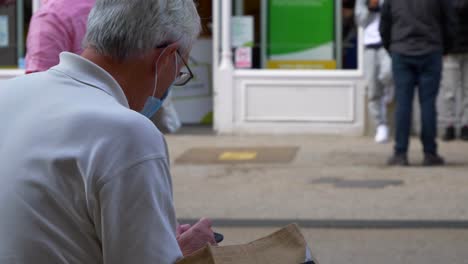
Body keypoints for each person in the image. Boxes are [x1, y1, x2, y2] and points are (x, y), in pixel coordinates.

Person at [0, 0, 216, 263]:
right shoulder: (129, 135)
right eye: (181, 71)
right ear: (167, 57)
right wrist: (189, 254)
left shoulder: (8, 94)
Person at [25, 0, 181, 133]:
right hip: (128, 122)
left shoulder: (52, 16)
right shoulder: (124, 6)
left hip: (79, 132)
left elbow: (39, 95)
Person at [380, 0, 456, 166]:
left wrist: (392, 47)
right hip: (430, 51)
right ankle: (430, 153)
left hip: (402, 51)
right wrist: (445, 48)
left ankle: (400, 153)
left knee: (403, 104)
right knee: (428, 104)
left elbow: (384, 24)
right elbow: (450, 22)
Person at [355, 0, 393, 143]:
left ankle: (389, 88)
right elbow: (360, 21)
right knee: (372, 89)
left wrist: (382, 8)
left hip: (388, 43)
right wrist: (371, 8)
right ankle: (381, 125)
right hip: (370, 45)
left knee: (388, 73)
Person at [440, 0, 468, 141]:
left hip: (459, 47)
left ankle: (464, 125)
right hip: (451, 48)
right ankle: (449, 124)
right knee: (449, 90)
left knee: (465, 90)